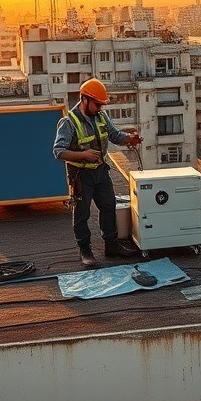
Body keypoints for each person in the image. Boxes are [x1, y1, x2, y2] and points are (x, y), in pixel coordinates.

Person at [53, 78, 143, 267]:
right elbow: (58, 151)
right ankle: (85, 250)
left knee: (109, 207)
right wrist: (83, 155)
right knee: (82, 213)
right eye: (97, 104)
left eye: (102, 105)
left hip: (101, 172)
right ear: (84, 99)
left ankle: (111, 245)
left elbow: (114, 135)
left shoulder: (101, 117)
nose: (100, 108)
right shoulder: (69, 122)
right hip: (81, 175)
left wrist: (130, 139)